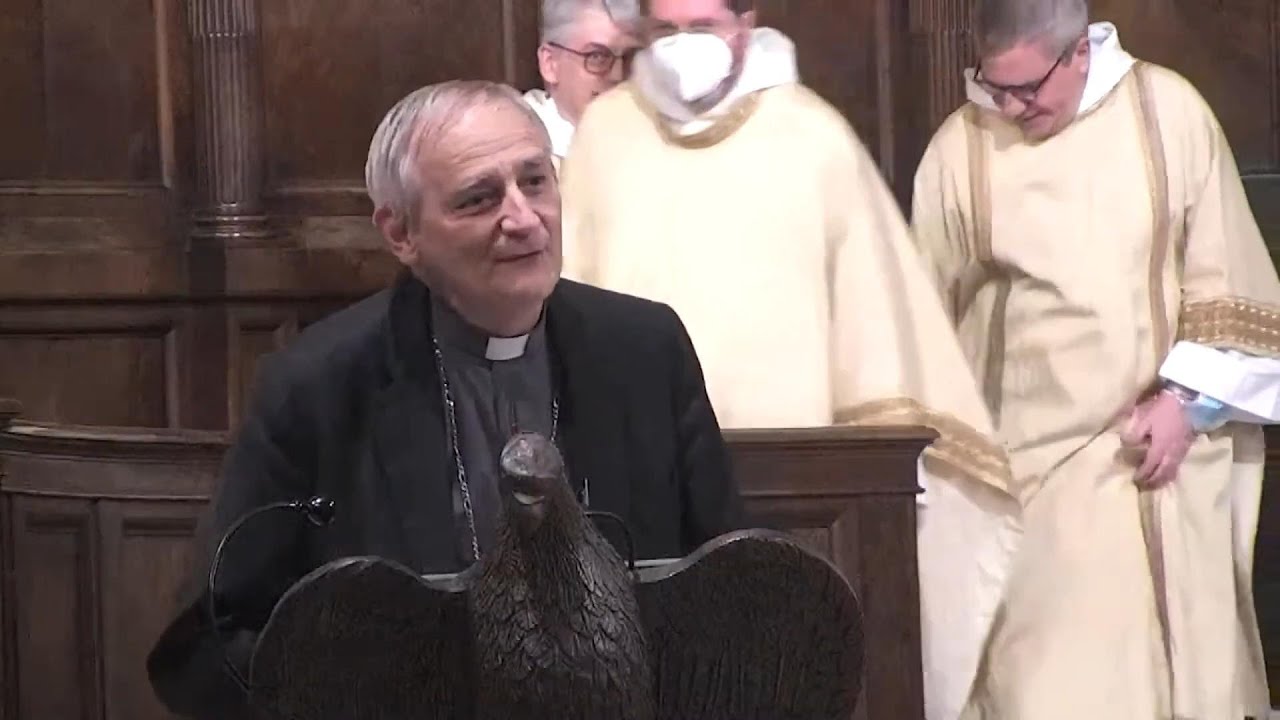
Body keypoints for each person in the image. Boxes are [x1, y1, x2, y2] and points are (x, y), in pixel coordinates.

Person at [145, 79, 743, 719]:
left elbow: (730, 592)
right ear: (401, 232)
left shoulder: (644, 350)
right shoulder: (319, 386)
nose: (523, 218)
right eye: (479, 199)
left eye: (535, 181)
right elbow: (208, 645)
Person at [558, 1, 1023, 717]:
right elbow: (567, 300)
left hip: (801, 497)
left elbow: (876, 314)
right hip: (639, 491)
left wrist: (884, 451)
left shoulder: (813, 138)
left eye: (703, 28)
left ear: (744, 23)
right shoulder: (606, 136)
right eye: (666, 31)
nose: (683, 47)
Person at [910, 1, 1280, 717]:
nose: (1010, 108)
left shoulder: (1168, 115)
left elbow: (1230, 284)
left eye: (1028, 89)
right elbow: (921, 323)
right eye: (994, 87)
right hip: (1029, 482)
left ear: (1079, 50)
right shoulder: (961, 150)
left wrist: (1190, 403)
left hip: (1158, 461)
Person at [525, 0, 640, 171]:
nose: (618, 75)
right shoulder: (522, 149)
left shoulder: (655, 136)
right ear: (550, 63)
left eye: (630, 57)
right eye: (597, 57)